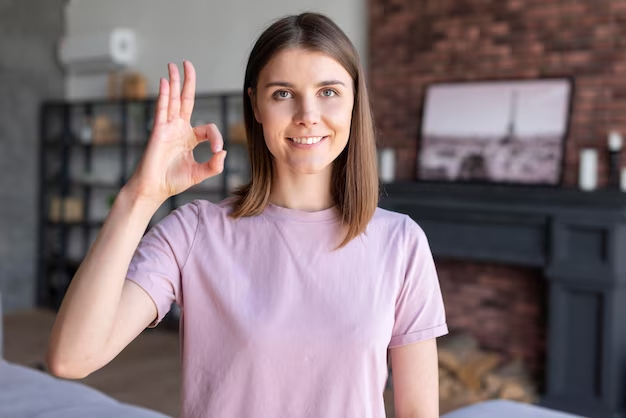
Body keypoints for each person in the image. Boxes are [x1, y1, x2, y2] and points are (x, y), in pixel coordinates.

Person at [46, 12, 448, 418]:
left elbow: (417, 412)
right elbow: (72, 357)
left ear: (354, 102)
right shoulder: (194, 232)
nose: (308, 114)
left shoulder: (400, 242)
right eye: (283, 94)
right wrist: (140, 196)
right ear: (255, 104)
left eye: (329, 91)